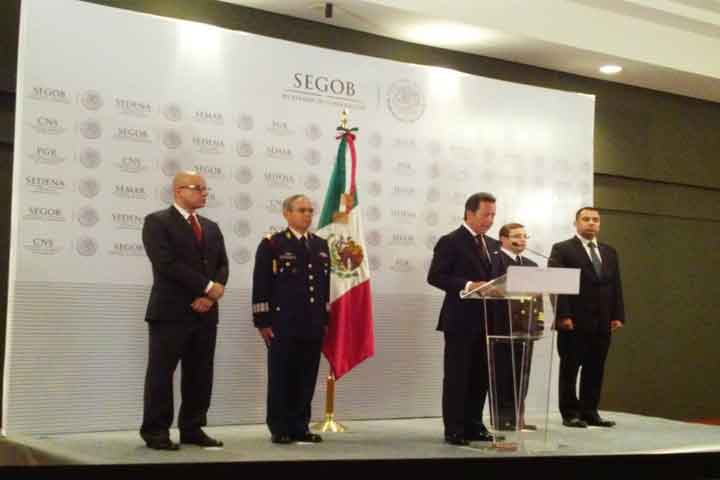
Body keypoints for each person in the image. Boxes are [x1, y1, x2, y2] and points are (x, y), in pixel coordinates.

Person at [140, 171, 229, 450]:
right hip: (170, 312)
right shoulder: (157, 222)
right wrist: (207, 287)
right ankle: (156, 431)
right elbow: (166, 264)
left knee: (200, 373)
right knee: (161, 374)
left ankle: (192, 427)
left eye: (205, 189)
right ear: (178, 191)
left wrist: (210, 296)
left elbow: (222, 264)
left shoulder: (211, 227)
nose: (204, 193)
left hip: (205, 312)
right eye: (198, 188)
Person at [252, 194, 330, 444]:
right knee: (281, 376)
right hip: (283, 324)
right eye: (301, 210)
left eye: (310, 210)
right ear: (286, 213)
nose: (307, 215)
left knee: (307, 376)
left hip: (313, 323)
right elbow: (261, 284)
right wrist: (262, 321)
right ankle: (280, 427)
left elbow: (324, 287)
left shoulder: (320, 245)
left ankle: (300, 425)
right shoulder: (273, 244)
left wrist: (325, 319)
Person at [427, 192, 501, 446]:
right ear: (470, 213)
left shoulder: (493, 244)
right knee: (457, 376)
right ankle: (455, 428)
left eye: (493, 215)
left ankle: (474, 424)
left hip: (488, 321)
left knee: (481, 377)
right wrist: (469, 285)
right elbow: (436, 276)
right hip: (460, 321)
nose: (490, 220)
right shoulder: (450, 241)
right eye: (485, 215)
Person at [548, 207, 625, 428]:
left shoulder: (609, 251)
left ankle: (590, 411)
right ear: (576, 223)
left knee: (595, 368)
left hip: (603, 321)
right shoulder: (562, 249)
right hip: (573, 321)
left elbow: (616, 285)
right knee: (570, 369)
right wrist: (563, 315)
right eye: (586, 219)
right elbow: (556, 284)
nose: (591, 223)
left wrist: (617, 314)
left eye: (595, 220)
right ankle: (570, 413)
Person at [495, 223, 542, 431]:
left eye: (524, 236)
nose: (522, 240)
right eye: (516, 236)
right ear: (503, 239)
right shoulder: (495, 260)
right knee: (504, 375)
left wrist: (538, 322)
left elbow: (538, 298)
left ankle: (518, 418)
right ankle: (502, 419)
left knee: (522, 374)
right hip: (502, 327)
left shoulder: (531, 265)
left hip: (526, 327)